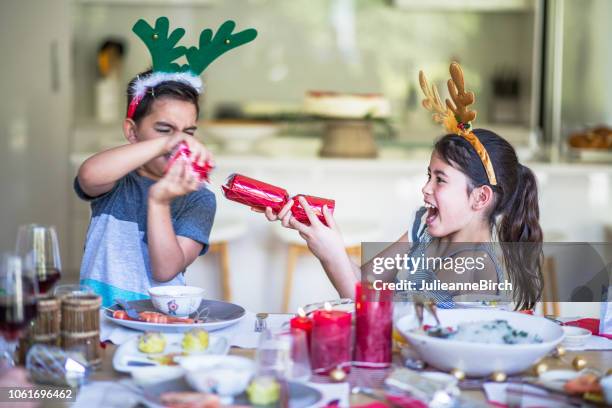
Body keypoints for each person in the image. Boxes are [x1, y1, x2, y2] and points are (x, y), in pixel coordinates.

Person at [259, 63, 543, 310]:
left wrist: (332, 254)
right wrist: (326, 244)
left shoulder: (473, 265)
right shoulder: (422, 230)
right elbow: (366, 282)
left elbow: (386, 321)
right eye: (428, 176)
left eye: (440, 180)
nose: (425, 189)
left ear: (480, 197)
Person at [74, 71, 215, 306]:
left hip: (159, 324)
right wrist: (168, 143)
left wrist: (159, 202)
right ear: (132, 132)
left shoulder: (198, 198)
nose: (179, 142)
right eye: (164, 129)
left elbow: (165, 270)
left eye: (188, 133)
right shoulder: (118, 179)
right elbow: (89, 175)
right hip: (99, 319)